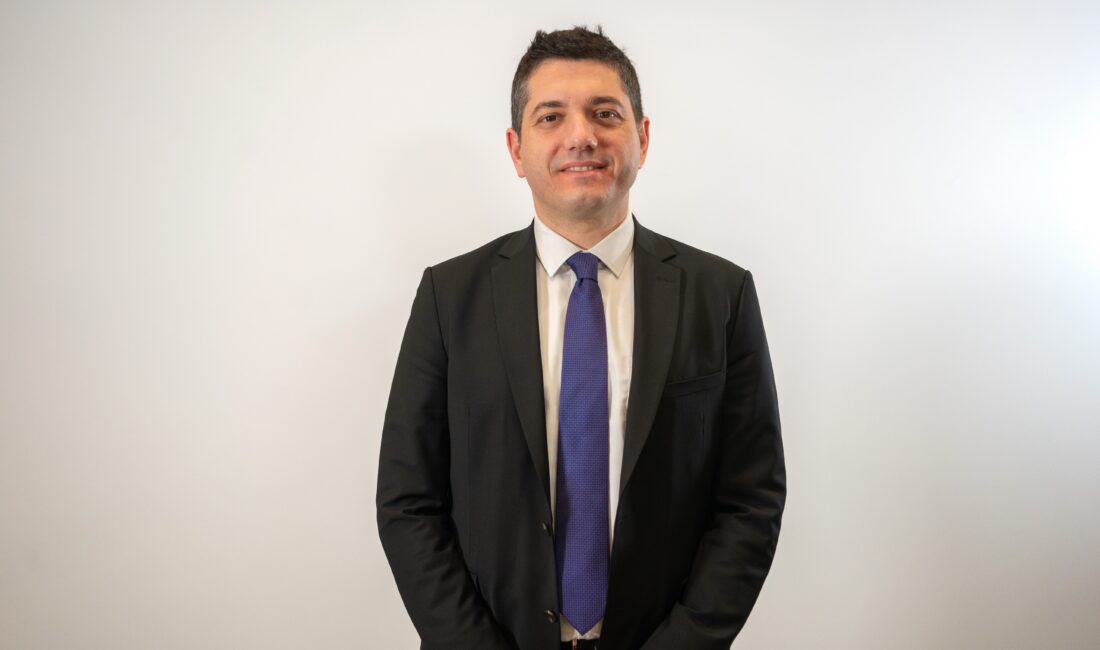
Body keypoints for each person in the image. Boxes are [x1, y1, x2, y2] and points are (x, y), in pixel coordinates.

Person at [377, 26, 785, 650]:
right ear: (516, 150)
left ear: (642, 138)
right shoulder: (449, 297)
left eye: (605, 114)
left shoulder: (720, 294)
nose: (582, 136)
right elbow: (409, 502)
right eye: (551, 117)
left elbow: (751, 501)